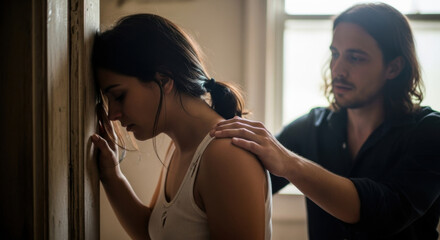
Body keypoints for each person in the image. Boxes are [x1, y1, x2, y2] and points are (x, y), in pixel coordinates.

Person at [211, 3, 440, 240]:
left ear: (393, 67)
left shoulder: (429, 130)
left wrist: (289, 163)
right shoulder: (312, 126)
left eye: (355, 58)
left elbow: (386, 214)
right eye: (335, 54)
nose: (338, 69)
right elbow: (248, 178)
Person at [90, 14, 272, 240]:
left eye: (119, 96)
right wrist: (111, 175)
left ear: (165, 80)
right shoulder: (180, 149)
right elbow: (152, 234)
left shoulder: (227, 155)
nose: (112, 114)